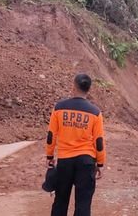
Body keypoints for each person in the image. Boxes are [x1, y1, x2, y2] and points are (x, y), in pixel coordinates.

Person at [46, 73, 106, 216]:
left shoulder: (59, 108)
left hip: (65, 160)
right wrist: (100, 164)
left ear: (73, 86)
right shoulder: (95, 112)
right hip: (86, 161)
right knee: (83, 204)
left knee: (60, 201)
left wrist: (49, 156)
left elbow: (51, 135)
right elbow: (99, 141)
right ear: (88, 89)